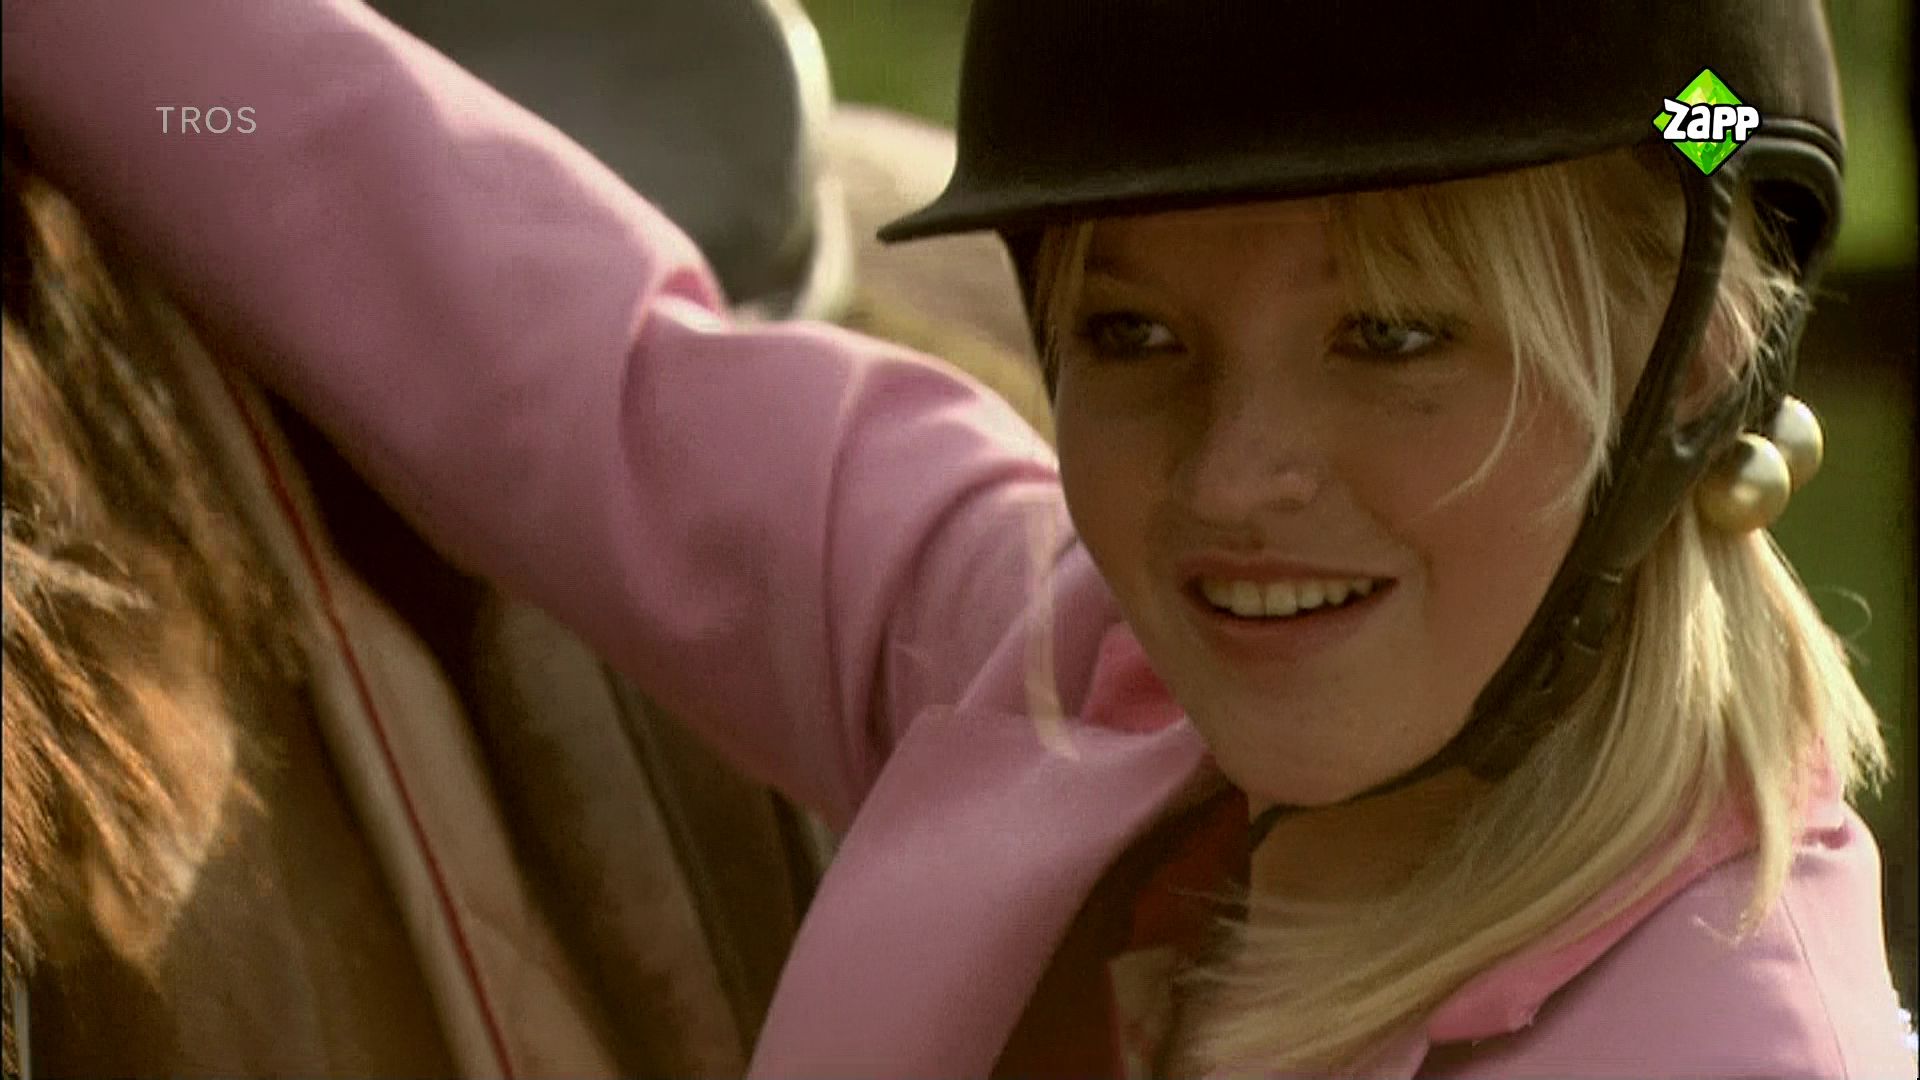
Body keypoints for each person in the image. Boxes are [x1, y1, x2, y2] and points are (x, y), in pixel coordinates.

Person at [4, 1, 1912, 1076]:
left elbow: (1708, 127)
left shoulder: (1731, 1052)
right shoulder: (1076, 672)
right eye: (1133, 339)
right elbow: (569, 356)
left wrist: (1700, 115)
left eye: (1394, 339)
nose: (1233, 479)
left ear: (1691, 370)